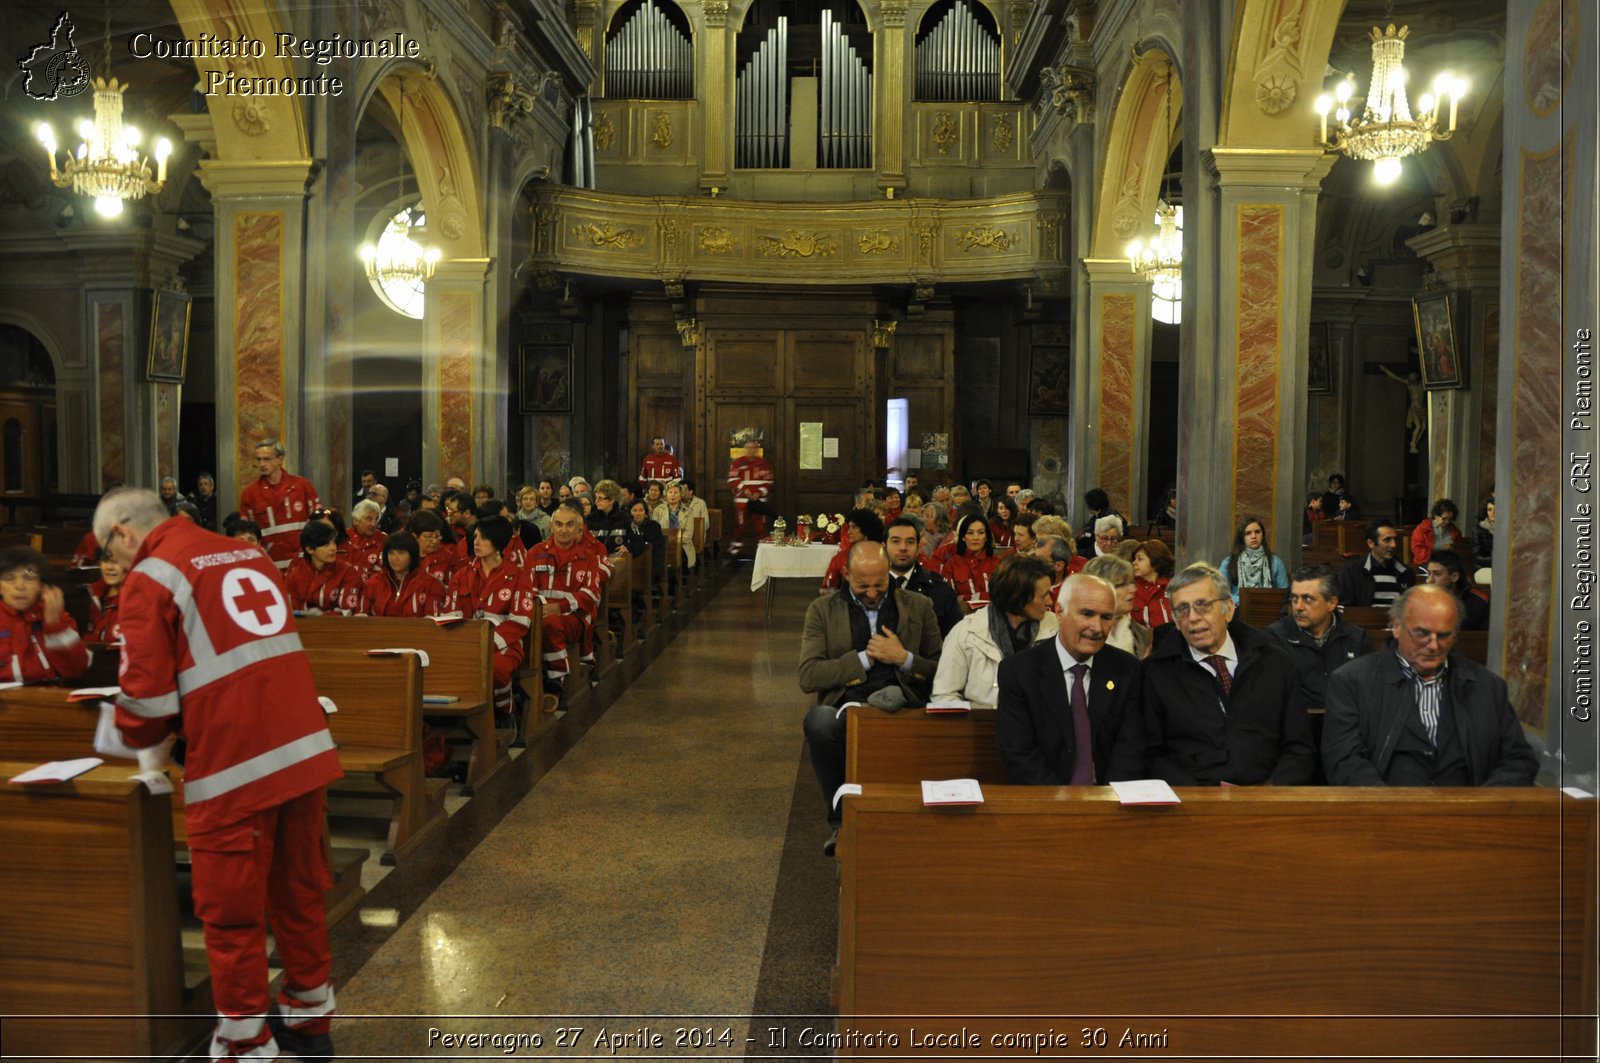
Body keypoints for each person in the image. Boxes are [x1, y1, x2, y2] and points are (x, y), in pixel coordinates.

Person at [93, 486, 340, 1062]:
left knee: (231, 916)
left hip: (235, 765)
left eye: (108, 547)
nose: (114, 560)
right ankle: (309, 1021)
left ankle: (245, 1045)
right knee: (298, 891)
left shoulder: (151, 577)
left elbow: (147, 705)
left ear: (124, 533)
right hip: (301, 749)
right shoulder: (244, 553)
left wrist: (123, 733)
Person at [799, 542, 944, 856]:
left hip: (906, 701)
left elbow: (943, 669)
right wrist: (864, 659)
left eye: (881, 584)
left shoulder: (919, 606)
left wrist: (903, 658)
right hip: (846, 702)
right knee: (819, 722)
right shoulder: (822, 610)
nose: (873, 593)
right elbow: (808, 676)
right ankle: (842, 821)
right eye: (862, 585)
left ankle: (919, 822)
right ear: (846, 574)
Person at [1322, 585, 1537, 786]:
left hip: (1469, 817)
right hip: (1384, 816)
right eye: (1422, 633)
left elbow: (1518, 761)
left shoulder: (1487, 687)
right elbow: (1343, 760)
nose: (1433, 645)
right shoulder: (1352, 682)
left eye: (1444, 635)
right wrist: (1388, 810)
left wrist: (1481, 808)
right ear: (1396, 627)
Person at [1140, 562, 1316, 785]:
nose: (1192, 617)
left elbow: (1299, 747)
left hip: (1269, 799)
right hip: (1193, 804)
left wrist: (1269, 791)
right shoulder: (1155, 673)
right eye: (1182, 609)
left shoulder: (1275, 663)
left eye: (1202, 605)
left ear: (1229, 609)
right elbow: (1150, 755)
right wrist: (1203, 796)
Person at [995, 573, 1145, 785]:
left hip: (1109, 802)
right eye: (1086, 613)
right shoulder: (1019, 671)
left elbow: (1130, 748)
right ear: (1059, 611)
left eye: (1106, 617)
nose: (1096, 628)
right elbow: (1019, 754)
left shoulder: (1126, 669)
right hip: (1045, 802)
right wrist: (1064, 805)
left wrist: (1109, 802)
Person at [931, 554, 1059, 707]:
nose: (1050, 602)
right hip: (985, 727)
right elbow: (944, 697)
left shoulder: (1057, 628)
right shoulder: (965, 633)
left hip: (1043, 727)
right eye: (1043, 596)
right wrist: (980, 717)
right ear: (1018, 597)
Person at [448, 515, 536, 719]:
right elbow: (451, 614)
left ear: (498, 542)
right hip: (466, 643)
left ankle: (504, 711)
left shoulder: (518, 575)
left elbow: (519, 622)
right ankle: (463, 718)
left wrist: (487, 642)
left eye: (483, 538)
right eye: (475, 537)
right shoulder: (462, 575)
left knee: (495, 667)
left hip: (505, 644)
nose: (476, 542)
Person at [1264, 564, 1372, 710]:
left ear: (1332, 603)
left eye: (1307, 599)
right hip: (1299, 727)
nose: (1298, 607)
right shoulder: (1275, 638)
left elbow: (1367, 694)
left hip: (1346, 726)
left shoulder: (1356, 639)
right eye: (1294, 599)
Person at [527, 501, 608, 694]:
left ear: (578, 527)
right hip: (539, 612)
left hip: (575, 617)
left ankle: (558, 678)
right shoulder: (535, 552)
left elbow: (592, 594)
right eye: (559, 524)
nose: (564, 530)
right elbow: (526, 588)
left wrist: (559, 607)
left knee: (550, 624)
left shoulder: (588, 556)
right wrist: (540, 608)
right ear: (552, 526)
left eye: (569, 524)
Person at [0, 546, 90, 682]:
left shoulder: (57, 616)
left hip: (47, 698)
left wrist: (54, 625)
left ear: (41, 586)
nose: (20, 586)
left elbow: (76, 669)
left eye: (29, 579)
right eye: (9, 579)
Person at [239, 437, 322, 571]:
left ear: (280, 459)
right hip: (270, 567)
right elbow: (246, 536)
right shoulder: (250, 494)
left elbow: (319, 525)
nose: (261, 464)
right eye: (258, 459)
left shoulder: (302, 486)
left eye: (267, 459)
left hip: (304, 566)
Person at [884, 515, 963, 637]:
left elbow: (956, 639)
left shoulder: (940, 590)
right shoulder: (869, 588)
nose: (903, 548)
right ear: (884, 546)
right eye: (895, 541)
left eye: (910, 542)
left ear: (918, 547)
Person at [284, 522, 363, 616]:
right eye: (326, 545)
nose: (333, 548)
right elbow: (291, 611)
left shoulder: (347, 572)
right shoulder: (295, 575)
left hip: (338, 628)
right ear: (309, 549)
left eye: (334, 542)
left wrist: (319, 617)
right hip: (304, 628)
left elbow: (347, 611)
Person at [1083, 553, 1152, 659]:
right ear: (1100, 589)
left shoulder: (1141, 634)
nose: (1133, 589)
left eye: (1132, 583)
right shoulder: (1078, 633)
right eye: (1123, 584)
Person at [362, 532, 446, 618]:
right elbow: (361, 617)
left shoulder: (432, 585)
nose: (395, 558)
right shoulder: (373, 583)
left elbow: (432, 623)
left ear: (412, 555)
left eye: (401, 553)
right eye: (391, 553)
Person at [1336, 519, 1415, 608]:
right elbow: (1345, 609)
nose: (1393, 545)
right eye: (1387, 540)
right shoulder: (1351, 571)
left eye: (1395, 539)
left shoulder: (1406, 573)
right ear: (1371, 543)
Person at [1217, 514, 1289, 603]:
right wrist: (1244, 600)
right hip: (1237, 609)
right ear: (1242, 538)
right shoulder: (1228, 563)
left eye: (1257, 532)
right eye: (1248, 533)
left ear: (1263, 535)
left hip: (1268, 610)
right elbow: (1221, 594)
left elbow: (1284, 595)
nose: (1254, 536)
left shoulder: (1276, 562)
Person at [727, 438, 777, 553]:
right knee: (740, 527)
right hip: (742, 502)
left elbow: (768, 481)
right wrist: (745, 490)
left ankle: (763, 553)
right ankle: (734, 553)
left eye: (753, 448)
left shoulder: (764, 464)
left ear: (757, 449)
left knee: (761, 528)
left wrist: (759, 493)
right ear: (745, 449)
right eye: (748, 448)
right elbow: (732, 479)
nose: (750, 450)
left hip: (758, 502)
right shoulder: (737, 463)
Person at [820, 508, 885, 593]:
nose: (848, 532)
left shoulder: (884, 555)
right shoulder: (841, 558)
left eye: (853, 527)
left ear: (866, 529)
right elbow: (827, 590)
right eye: (849, 527)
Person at [1425, 550, 1489, 631]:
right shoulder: (1420, 601)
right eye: (1428, 573)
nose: (1429, 580)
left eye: (1437, 574)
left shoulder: (1479, 602)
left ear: (1454, 577)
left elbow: (1484, 639)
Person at [407, 509, 458, 587]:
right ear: (414, 536)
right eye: (429, 537)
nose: (434, 541)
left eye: (437, 536)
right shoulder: (405, 557)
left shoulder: (448, 559)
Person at [654, 482, 698, 572]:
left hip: (682, 545)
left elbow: (688, 534)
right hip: (663, 544)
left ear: (680, 495)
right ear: (666, 495)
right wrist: (665, 542)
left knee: (675, 554)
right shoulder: (658, 510)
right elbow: (655, 531)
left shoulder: (688, 511)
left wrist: (675, 541)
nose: (672, 495)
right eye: (670, 492)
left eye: (676, 492)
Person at [1131, 539, 1174, 629]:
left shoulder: (1172, 588)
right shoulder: (1131, 590)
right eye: (1134, 559)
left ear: (1155, 560)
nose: (1134, 563)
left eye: (1140, 559)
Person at [88, 550, 128, 643]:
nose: (110, 567)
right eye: (106, 560)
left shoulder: (139, 603)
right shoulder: (90, 595)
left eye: (118, 561)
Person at [1410, 498, 1462, 569]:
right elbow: (1418, 549)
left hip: (1447, 565)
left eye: (1450, 519)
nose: (1447, 522)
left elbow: (1458, 549)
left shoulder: (1455, 531)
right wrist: (1437, 558)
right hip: (1426, 563)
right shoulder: (1423, 529)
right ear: (1436, 515)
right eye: (1444, 518)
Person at [344, 499, 388, 576]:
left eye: (376, 519)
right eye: (369, 519)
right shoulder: (344, 537)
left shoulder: (384, 539)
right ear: (356, 521)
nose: (374, 524)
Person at [623, 499, 665, 579]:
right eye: (634, 510)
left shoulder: (654, 526)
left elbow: (657, 548)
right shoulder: (626, 526)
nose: (637, 513)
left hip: (650, 562)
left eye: (641, 510)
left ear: (645, 512)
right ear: (629, 513)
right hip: (630, 561)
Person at [1474, 496, 1495, 571]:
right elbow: (1477, 556)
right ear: (1486, 512)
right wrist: (1498, 560)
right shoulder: (1479, 529)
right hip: (1483, 568)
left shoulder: (1507, 529)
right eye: (1490, 510)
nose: (1493, 513)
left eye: (1496, 509)